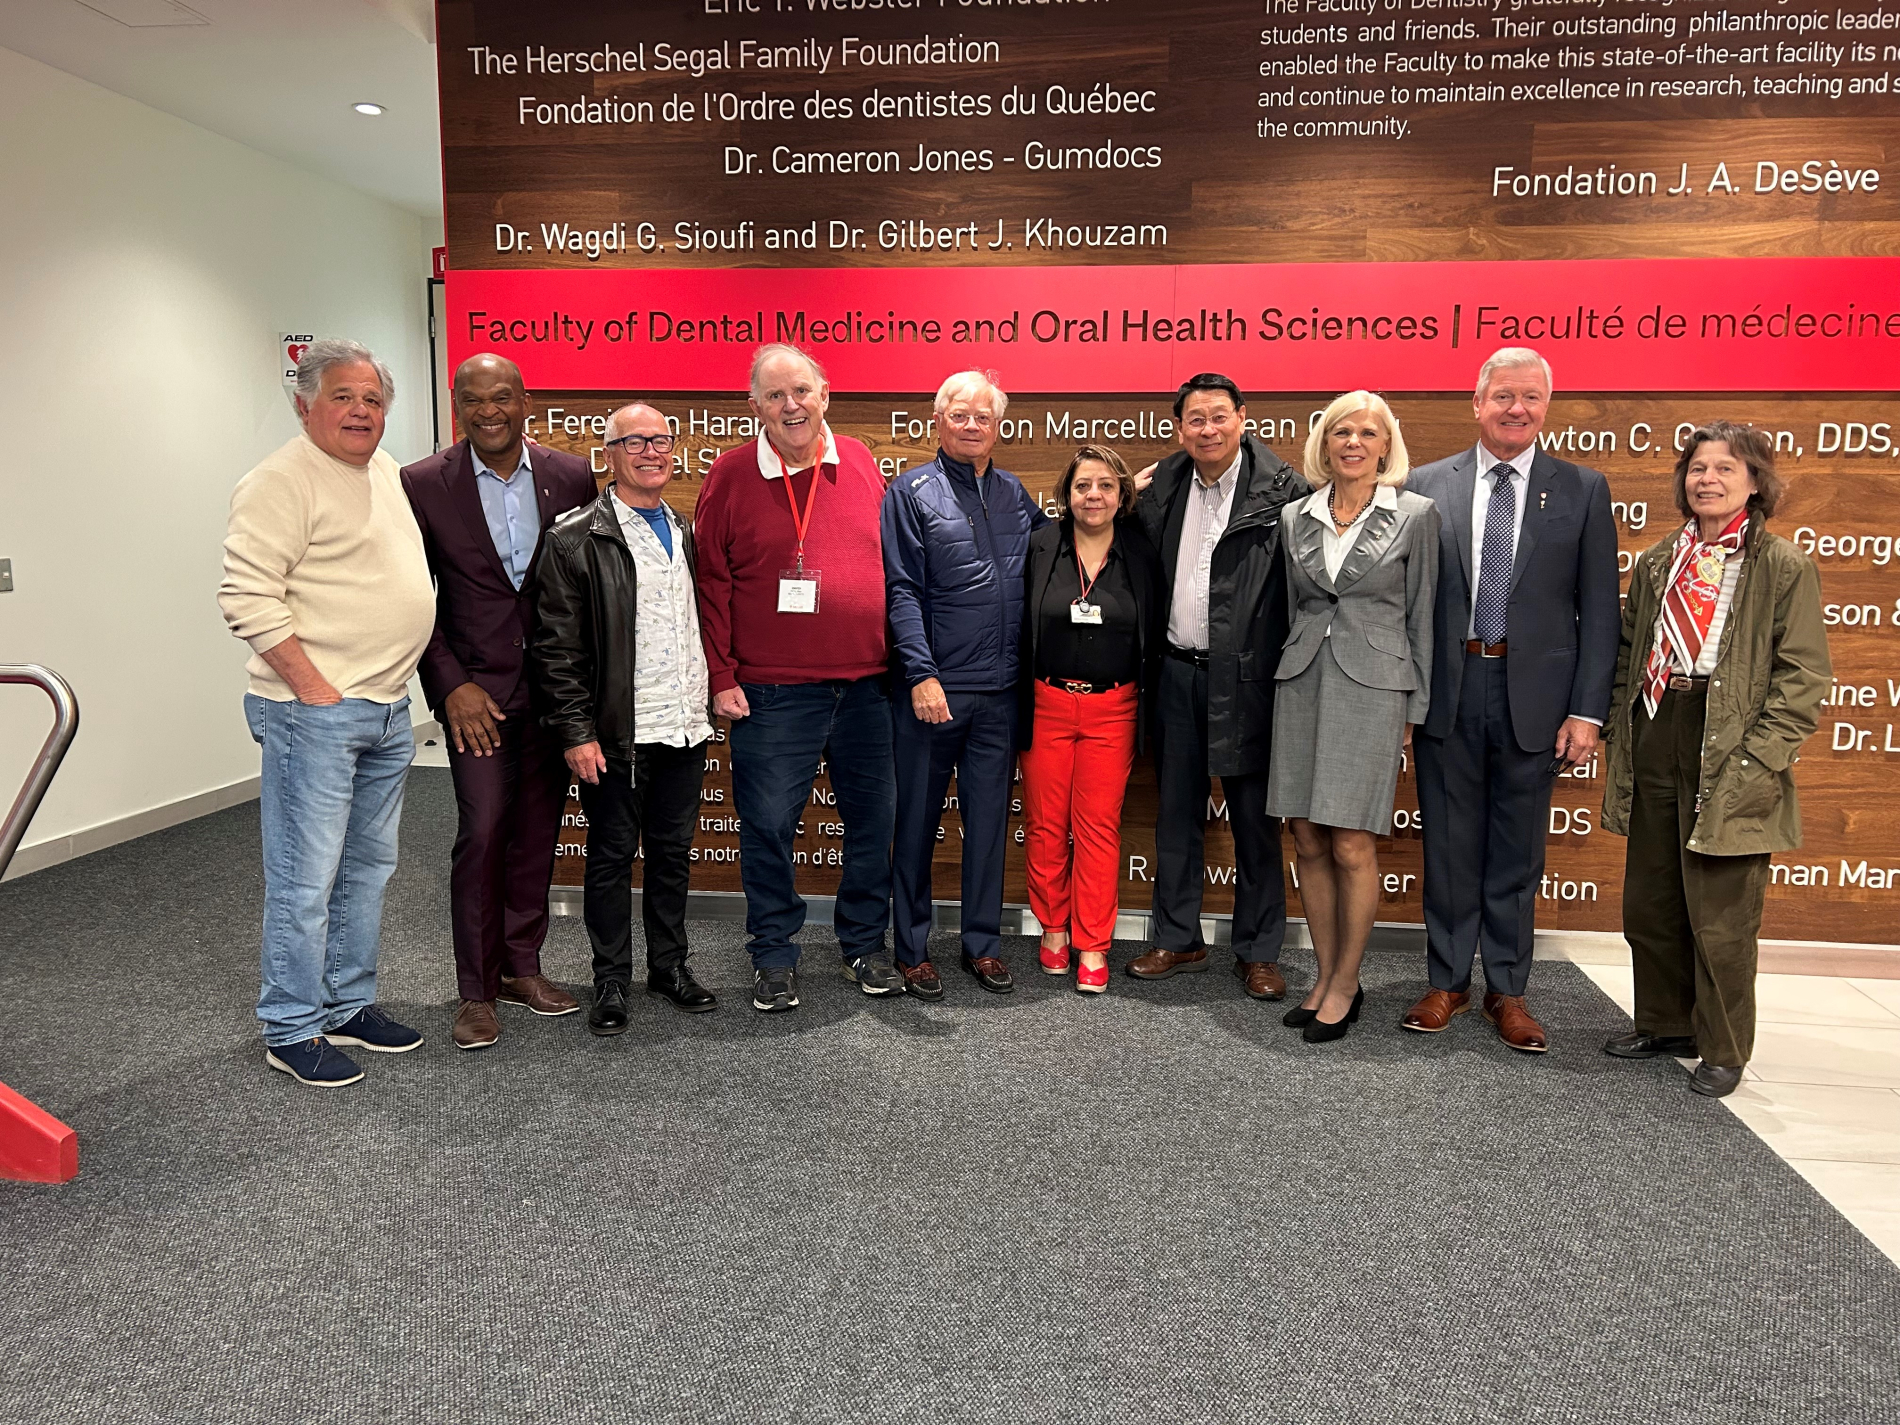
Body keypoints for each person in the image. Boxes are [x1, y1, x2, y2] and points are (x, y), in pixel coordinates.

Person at [218, 338, 435, 1087]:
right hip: (312, 712)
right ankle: (290, 1025)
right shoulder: (280, 480)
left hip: (383, 708)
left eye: (373, 399)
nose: (361, 411)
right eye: (343, 396)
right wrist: (314, 687)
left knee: (368, 870)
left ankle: (347, 1003)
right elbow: (246, 596)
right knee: (305, 878)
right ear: (303, 402)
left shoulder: (384, 471)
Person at [1600, 421, 1829, 1097]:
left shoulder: (1782, 565)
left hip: (1728, 738)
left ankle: (1724, 1047)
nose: (1708, 479)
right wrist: (1622, 731)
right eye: (1698, 468)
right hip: (1657, 725)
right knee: (1651, 898)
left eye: (1725, 468)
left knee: (1722, 913)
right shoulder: (1658, 561)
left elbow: (1802, 679)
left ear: (1755, 481)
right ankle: (1666, 1023)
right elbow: (1628, 654)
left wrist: (1757, 759)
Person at [1403, 348, 1620, 1052]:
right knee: (1448, 843)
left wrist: (1587, 710)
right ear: (1477, 403)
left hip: (1537, 699)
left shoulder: (1583, 488)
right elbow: (1405, 605)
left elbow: (1599, 610)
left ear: (1546, 406)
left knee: (1518, 855)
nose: (1516, 408)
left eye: (1530, 396)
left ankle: (1508, 989)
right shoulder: (1425, 485)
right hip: (1450, 690)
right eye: (1503, 396)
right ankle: (1447, 982)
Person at [694, 345, 899, 1014]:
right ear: (754, 407)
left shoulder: (862, 462)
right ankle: (775, 955)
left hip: (866, 687)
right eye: (776, 396)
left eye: (802, 391)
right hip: (773, 693)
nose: (791, 405)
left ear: (825, 394)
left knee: (873, 824)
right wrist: (721, 674)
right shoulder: (729, 475)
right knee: (768, 826)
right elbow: (712, 583)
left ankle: (864, 946)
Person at [400, 354, 596, 1051]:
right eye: (474, 399)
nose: (489, 410)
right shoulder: (422, 484)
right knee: (483, 832)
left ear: (526, 402)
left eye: (502, 397)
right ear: (458, 406)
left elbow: (581, 584)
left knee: (539, 833)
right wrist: (449, 683)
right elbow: (408, 598)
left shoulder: (572, 475)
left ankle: (521, 966)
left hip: (553, 690)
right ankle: (476, 990)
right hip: (474, 695)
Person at [1127, 373, 1311, 1000]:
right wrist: (1125, 495)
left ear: (1241, 417)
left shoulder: (1285, 493)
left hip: (1251, 677)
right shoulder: (1161, 488)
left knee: (1255, 820)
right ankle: (1177, 936)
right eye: (1194, 420)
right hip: (1176, 671)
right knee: (1175, 812)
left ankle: (1258, 950)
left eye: (1218, 416)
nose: (1207, 429)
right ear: (1179, 428)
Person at [533, 402, 714, 1036]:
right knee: (611, 856)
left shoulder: (686, 532)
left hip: (685, 723)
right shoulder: (574, 537)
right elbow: (555, 648)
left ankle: (669, 967)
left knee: (671, 855)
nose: (652, 452)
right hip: (615, 734)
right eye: (635, 442)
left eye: (663, 441)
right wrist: (575, 732)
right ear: (607, 454)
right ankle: (611, 978)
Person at [1268, 394, 1438, 1041]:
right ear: (1325, 442)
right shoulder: (1294, 517)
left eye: (1368, 431)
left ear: (1386, 444)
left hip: (1375, 690)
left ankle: (1346, 982)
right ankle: (1325, 974)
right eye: (1342, 430)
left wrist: (1415, 709)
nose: (1354, 441)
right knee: (1307, 836)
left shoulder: (1415, 516)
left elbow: (1423, 616)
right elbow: (1294, 608)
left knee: (1350, 841)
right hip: (1302, 682)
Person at [883, 370, 1050, 999]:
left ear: (999, 425)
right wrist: (921, 674)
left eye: (983, 416)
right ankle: (912, 948)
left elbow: (1063, 554)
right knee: (918, 825)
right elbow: (901, 590)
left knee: (987, 827)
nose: (971, 424)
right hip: (933, 694)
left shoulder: (1014, 494)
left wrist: (1125, 499)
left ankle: (981, 945)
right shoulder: (910, 493)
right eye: (960, 414)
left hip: (1001, 694)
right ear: (938, 419)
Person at [1018, 445, 1164, 994]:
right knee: (1046, 824)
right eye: (1083, 486)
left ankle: (1094, 942)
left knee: (1098, 828)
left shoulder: (1142, 554)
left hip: (1114, 708)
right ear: (1066, 494)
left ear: (1122, 495)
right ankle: (1053, 929)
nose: (1094, 496)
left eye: (1106, 485)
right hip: (1047, 703)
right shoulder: (1041, 547)